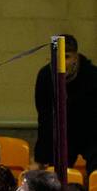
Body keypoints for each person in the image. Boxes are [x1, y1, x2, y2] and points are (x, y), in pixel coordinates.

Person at [33, 35, 97, 168]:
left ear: (76, 57)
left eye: (66, 57)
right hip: (62, 136)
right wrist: (40, 158)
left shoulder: (93, 76)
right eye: (56, 58)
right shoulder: (45, 77)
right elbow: (44, 119)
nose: (60, 63)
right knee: (55, 176)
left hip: (91, 132)